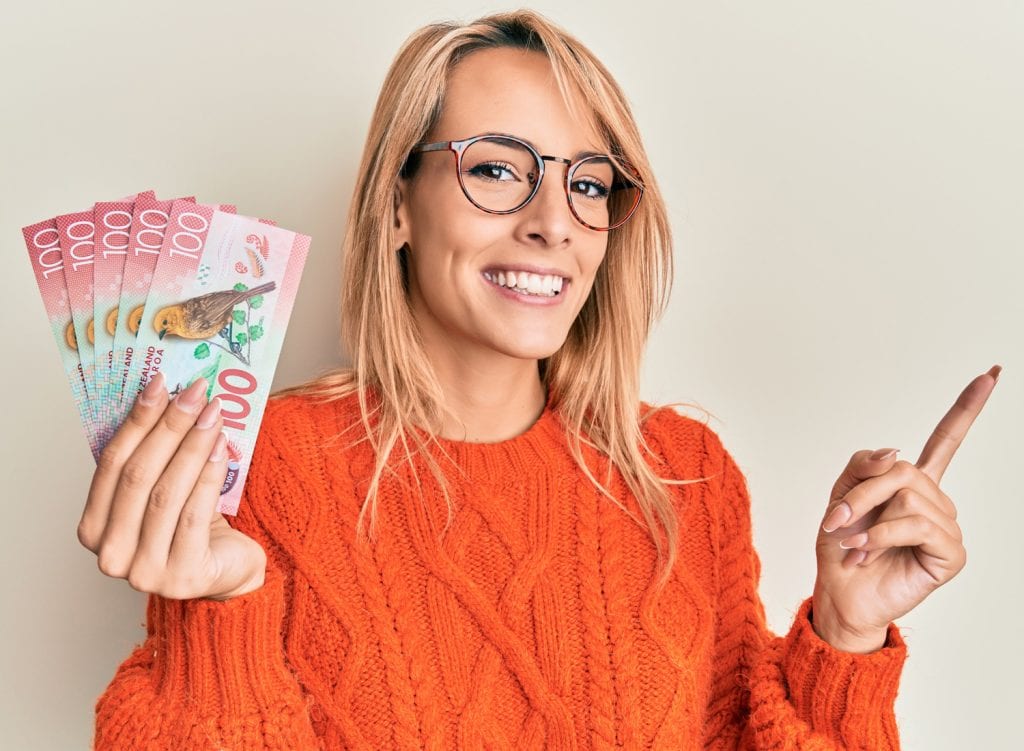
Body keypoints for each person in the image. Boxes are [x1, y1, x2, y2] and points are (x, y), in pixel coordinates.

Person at [79, 9, 998, 750]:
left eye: (589, 183)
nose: (554, 221)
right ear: (396, 206)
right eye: (496, 170)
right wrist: (219, 622)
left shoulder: (687, 474)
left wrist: (846, 630)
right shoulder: (255, 467)